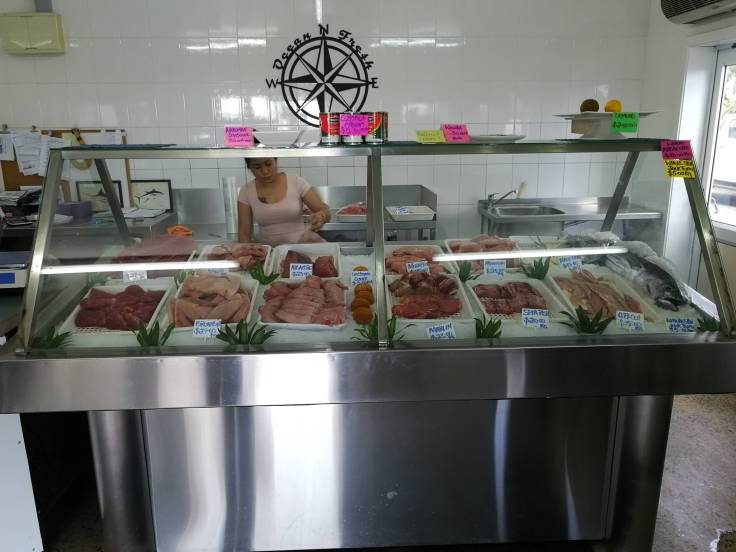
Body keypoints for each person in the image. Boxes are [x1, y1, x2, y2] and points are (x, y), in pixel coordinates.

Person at [238, 157, 331, 245]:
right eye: (257, 167)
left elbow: (326, 212)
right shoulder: (246, 191)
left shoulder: (296, 182)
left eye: (268, 164)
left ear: (275, 161)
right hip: (269, 251)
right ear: (250, 168)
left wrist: (321, 216)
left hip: (301, 245)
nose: (265, 171)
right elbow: (244, 234)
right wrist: (247, 253)